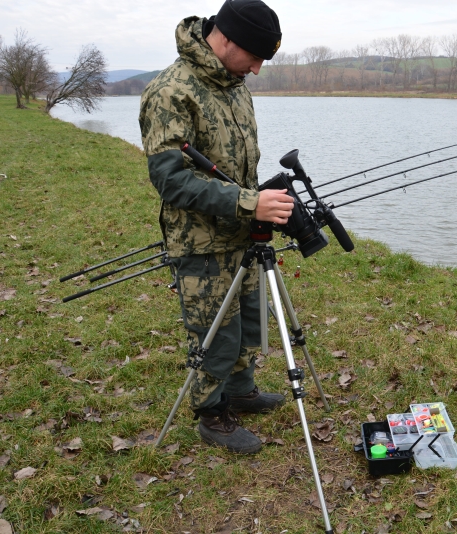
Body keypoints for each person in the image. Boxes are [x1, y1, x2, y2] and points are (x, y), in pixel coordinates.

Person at [139, 0, 293, 454]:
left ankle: (241, 392)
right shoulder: (170, 91)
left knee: (248, 321)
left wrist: (260, 198)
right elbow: (170, 180)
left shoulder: (235, 83)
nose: (259, 69)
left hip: (243, 231)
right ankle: (212, 414)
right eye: (255, 57)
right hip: (200, 241)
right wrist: (250, 202)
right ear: (224, 39)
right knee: (214, 330)